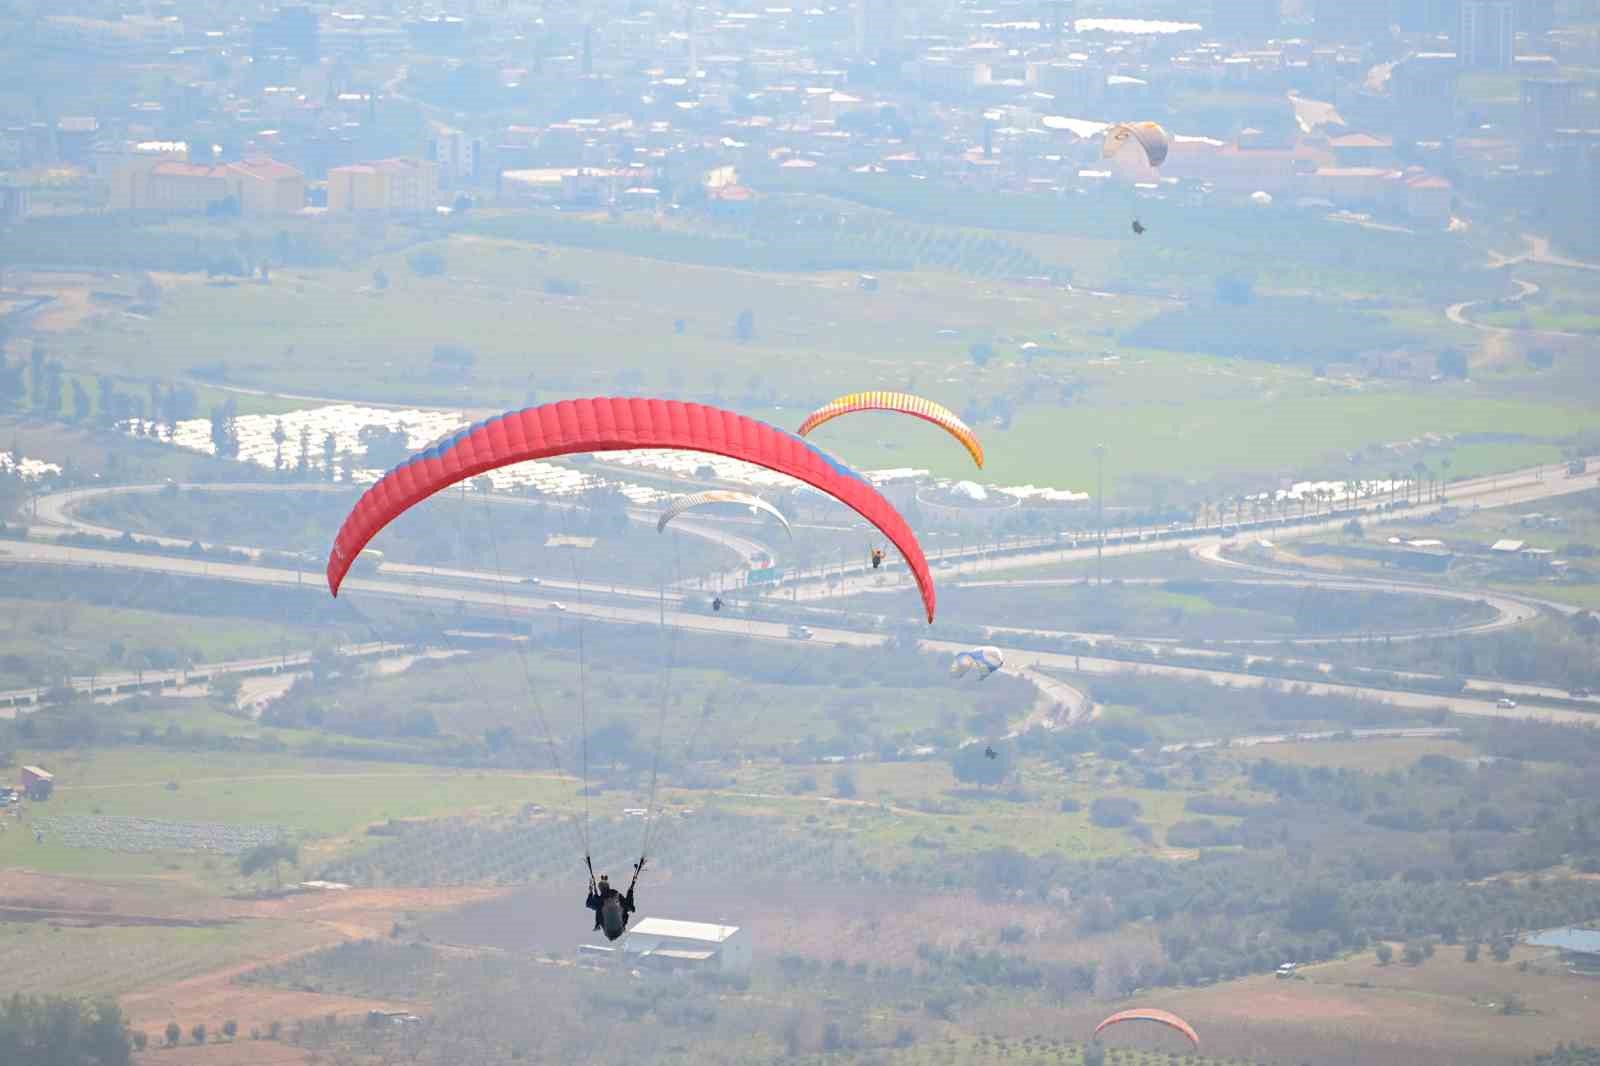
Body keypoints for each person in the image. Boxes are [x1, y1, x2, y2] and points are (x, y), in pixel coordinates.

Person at [586, 863, 640, 941]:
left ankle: (597, 925)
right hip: (614, 929)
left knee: (624, 908)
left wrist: (591, 892)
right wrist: (630, 891)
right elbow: (627, 905)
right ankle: (598, 925)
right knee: (626, 907)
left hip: (616, 931)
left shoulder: (600, 901)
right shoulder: (615, 896)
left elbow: (588, 904)